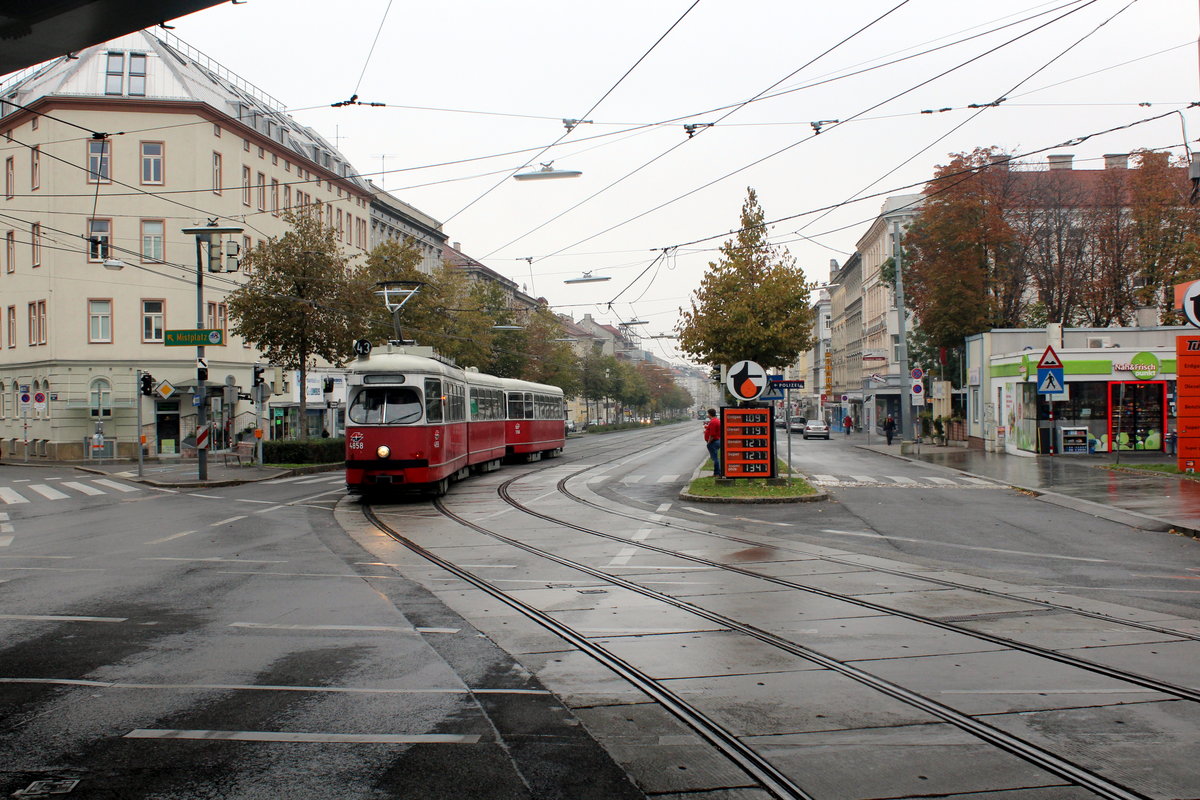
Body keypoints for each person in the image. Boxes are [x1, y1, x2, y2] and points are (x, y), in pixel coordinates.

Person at [703, 408, 722, 477]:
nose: (707, 415)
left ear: (710, 414)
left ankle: (717, 473)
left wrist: (709, 442)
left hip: (713, 442)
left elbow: (712, 434)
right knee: (715, 457)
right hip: (716, 441)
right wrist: (707, 429)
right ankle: (717, 472)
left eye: (707, 413)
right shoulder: (716, 421)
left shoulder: (713, 422)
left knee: (715, 458)